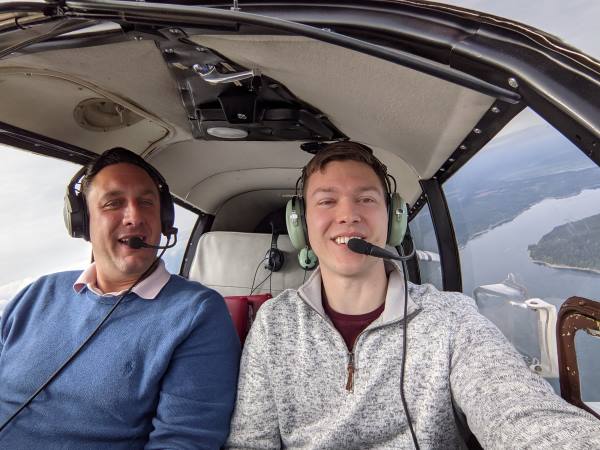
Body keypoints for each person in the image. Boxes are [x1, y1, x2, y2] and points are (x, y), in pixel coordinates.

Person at [226, 141, 600, 449]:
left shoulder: (452, 318)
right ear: (301, 224)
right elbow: (250, 443)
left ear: (394, 219)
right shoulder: (274, 324)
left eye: (366, 200)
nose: (348, 215)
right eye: (326, 201)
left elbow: (522, 413)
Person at [0, 148, 240, 449]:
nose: (134, 216)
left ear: (164, 219)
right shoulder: (38, 294)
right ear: (82, 221)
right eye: (114, 203)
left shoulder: (197, 312)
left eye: (147, 202)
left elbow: (184, 441)